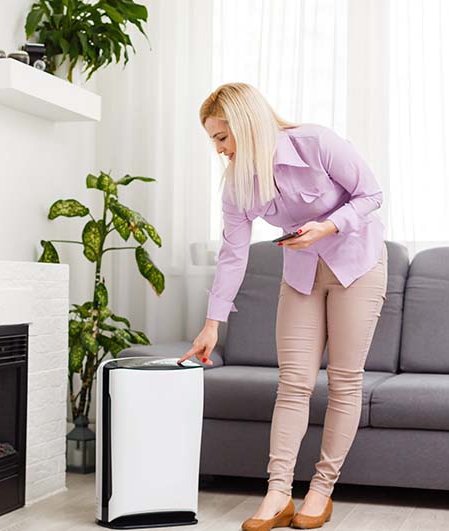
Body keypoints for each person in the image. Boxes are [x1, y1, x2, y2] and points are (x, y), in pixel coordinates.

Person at [179, 83, 387, 531]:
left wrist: (327, 226)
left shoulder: (316, 143)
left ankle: (321, 491)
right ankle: (277, 494)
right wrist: (212, 323)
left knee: (345, 382)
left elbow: (371, 195)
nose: (218, 150)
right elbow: (233, 254)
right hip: (301, 275)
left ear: (247, 126)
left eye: (221, 138)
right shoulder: (236, 186)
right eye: (212, 140)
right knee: (293, 383)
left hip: (357, 265)